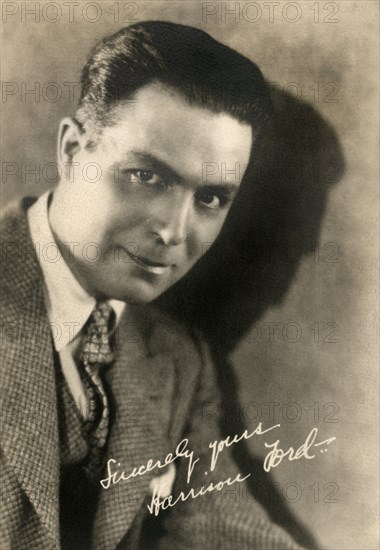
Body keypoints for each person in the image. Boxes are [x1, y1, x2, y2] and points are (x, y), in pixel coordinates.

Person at [0, 21, 305, 550]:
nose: (174, 230)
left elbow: (226, 531)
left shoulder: (180, 359)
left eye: (210, 198)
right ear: (73, 150)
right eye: (147, 176)